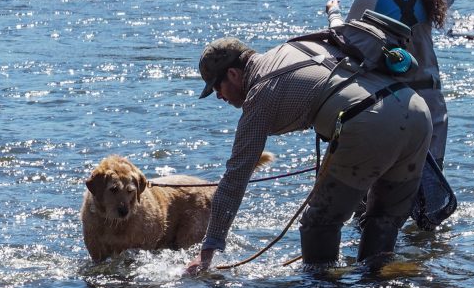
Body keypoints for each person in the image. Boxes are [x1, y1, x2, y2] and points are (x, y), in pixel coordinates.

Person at [184, 35, 431, 275]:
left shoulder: (260, 93)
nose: (218, 95)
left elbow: (236, 177)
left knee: (318, 225)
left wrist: (209, 247)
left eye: (217, 87)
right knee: (383, 219)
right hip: (416, 108)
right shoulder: (295, 48)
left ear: (233, 74)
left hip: (370, 121)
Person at [325, 0, 456, 164]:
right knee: (431, 181)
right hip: (431, 102)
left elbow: (341, 43)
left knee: (388, 185)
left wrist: (334, 14)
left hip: (391, 104)